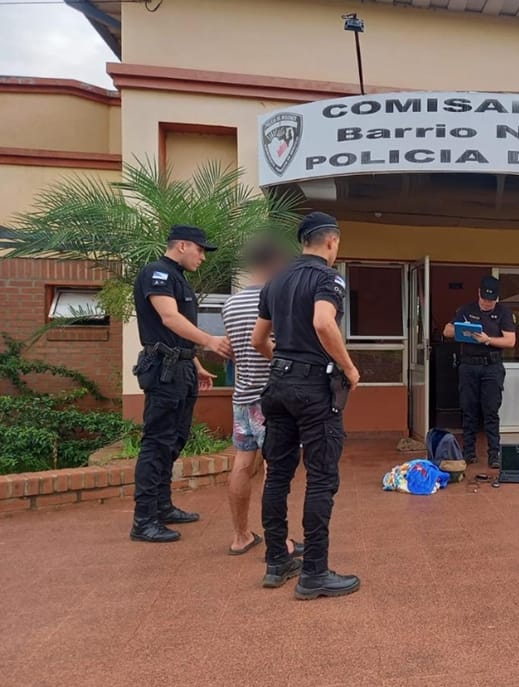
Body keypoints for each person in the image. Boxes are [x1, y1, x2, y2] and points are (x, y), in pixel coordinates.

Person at [252, 211, 362, 599]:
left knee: (278, 475)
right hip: (314, 387)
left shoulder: (275, 280)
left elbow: (257, 340)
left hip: (278, 384)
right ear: (331, 242)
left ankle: (276, 561)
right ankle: (314, 572)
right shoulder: (329, 278)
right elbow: (322, 322)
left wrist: (283, 363)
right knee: (320, 477)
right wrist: (349, 368)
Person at [130, 225, 233, 543]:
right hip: (163, 371)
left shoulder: (178, 278)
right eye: (200, 250)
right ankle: (144, 519)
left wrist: (197, 363)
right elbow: (170, 319)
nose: (203, 256)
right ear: (183, 245)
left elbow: (176, 334)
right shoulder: (156, 273)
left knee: (175, 439)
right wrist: (210, 341)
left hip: (181, 368)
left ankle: (162, 507)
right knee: (157, 442)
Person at [222, 238, 304, 557]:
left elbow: (232, 349)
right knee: (275, 469)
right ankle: (279, 541)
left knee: (242, 463)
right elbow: (271, 344)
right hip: (273, 399)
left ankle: (240, 536)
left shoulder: (229, 305)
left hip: (242, 397)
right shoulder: (278, 300)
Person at [443, 275, 516, 468]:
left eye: (491, 300)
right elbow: (446, 331)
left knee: (491, 411)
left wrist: (487, 340)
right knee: (469, 411)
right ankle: (468, 453)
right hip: (468, 366)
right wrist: (462, 329)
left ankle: (494, 454)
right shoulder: (466, 310)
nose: (487, 303)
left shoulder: (503, 313)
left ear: (497, 298)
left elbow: (510, 341)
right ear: (478, 293)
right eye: (484, 298)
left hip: (492, 367)